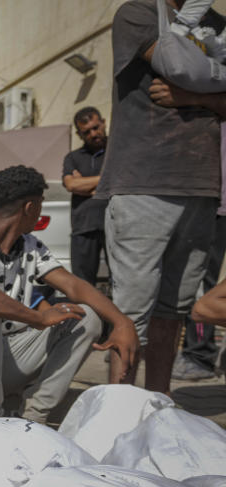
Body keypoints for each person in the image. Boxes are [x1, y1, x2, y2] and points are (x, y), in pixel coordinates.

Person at [0, 166, 139, 424]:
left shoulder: (31, 247)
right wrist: (37, 318)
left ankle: (33, 416)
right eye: (40, 205)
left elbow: (73, 286)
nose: (40, 211)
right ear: (30, 207)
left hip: (5, 362)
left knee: (87, 318)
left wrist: (121, 321)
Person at [96, 0, 226, 393]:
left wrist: (195, 98)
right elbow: (180, 67)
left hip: (200, 186)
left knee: (174, 312)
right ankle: (119, 412)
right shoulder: (137, 14)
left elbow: (191, 83)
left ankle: (156, 407)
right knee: (130, 315)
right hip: (144, 183)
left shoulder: (217, 24)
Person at [174, 213, 226, 379]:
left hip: (214, 212)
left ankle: (199, 355)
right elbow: (203, 309)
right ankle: (198, 354)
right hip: (206, 212)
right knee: (202, 291)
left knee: (203, 281)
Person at [62, 106, 109, 287]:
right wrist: (105, 182)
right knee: (82, 284)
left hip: (114, 225)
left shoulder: (117, 152)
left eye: (96, 127)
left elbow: (123, 177)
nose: (93, 133)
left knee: (121, 279)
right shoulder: (73, 158)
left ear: (103, 123)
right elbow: (71, 184)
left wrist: (86, 185)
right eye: (87, 132)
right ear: (79, 134)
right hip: (84, 226)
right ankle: (87, 315)